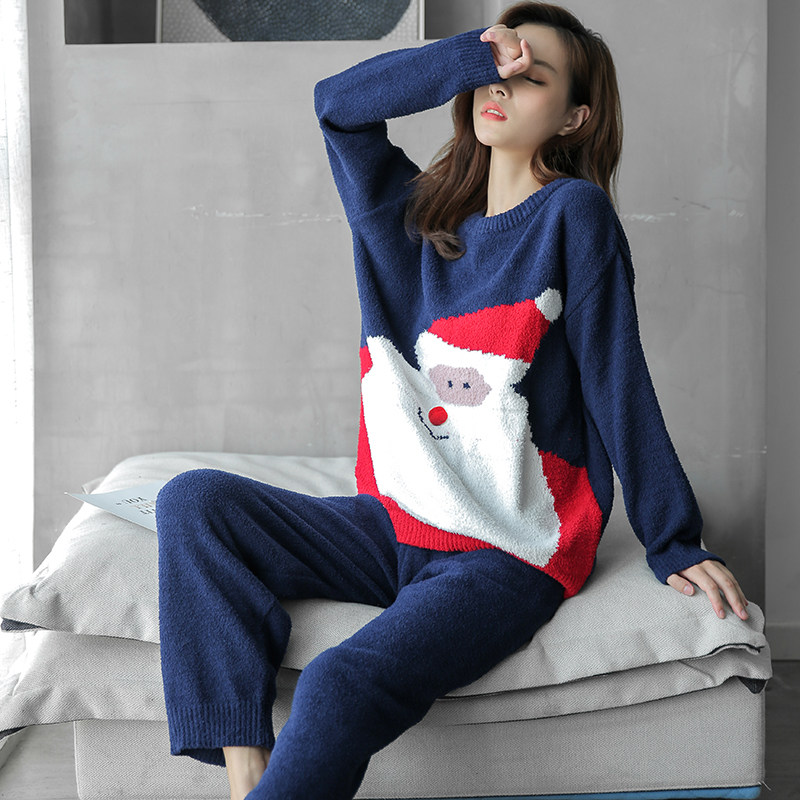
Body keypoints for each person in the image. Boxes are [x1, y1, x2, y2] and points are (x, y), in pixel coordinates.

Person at [155, 3, 750, 799]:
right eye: (497, 69)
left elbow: (619, 379)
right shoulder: (407, 216)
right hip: (392, 523)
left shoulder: (573, 215)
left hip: (505, 549)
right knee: (193, 501)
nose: (500, 87)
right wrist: (471, 57)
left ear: (573, 118)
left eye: (531, 77)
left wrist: (674, 539)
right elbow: (338, 104)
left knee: (338, 679)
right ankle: (247, 778)